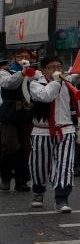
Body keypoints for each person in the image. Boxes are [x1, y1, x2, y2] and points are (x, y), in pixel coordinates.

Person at [27, 56, 80, 213]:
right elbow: (47, 96)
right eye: (52, 67)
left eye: (59, 66)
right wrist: (57, 81)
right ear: (43, 70)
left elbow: (76, 105)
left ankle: (61, 198)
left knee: (65, 165)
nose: (56, 70)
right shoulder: (36, 85)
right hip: (42, 131)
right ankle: (38, 191)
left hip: (66, 129)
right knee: (39, 166)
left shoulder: (68, 83)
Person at [0, 58, 35, 192]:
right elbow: (9, 84)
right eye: (20, 55)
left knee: (25, 149)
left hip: (26, 113)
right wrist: (22, 73)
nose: (24, 58)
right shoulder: (4, 73)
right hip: (8, 113)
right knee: (11, 147)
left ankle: (22, 180)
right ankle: (6, 177)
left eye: (27, 55)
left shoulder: (33, 72)